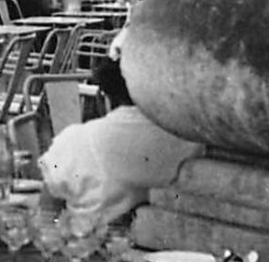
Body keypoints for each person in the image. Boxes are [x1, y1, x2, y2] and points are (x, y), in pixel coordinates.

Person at [38, 49, 203, 230]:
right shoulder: (191, 140)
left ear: (106, 92)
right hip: (165, 247)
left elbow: (47, 211)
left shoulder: (76, 140)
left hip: (86, 245)